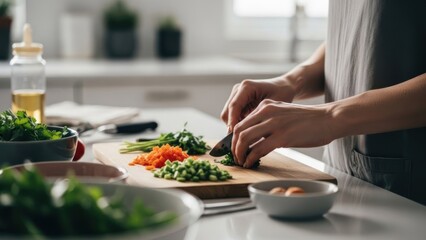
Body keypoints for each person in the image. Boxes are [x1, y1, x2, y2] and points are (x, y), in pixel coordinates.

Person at [221, 0, 426, 204]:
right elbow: (358, 33)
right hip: (340, 175)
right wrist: (291, 82)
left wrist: (331, 116)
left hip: (410, 191)